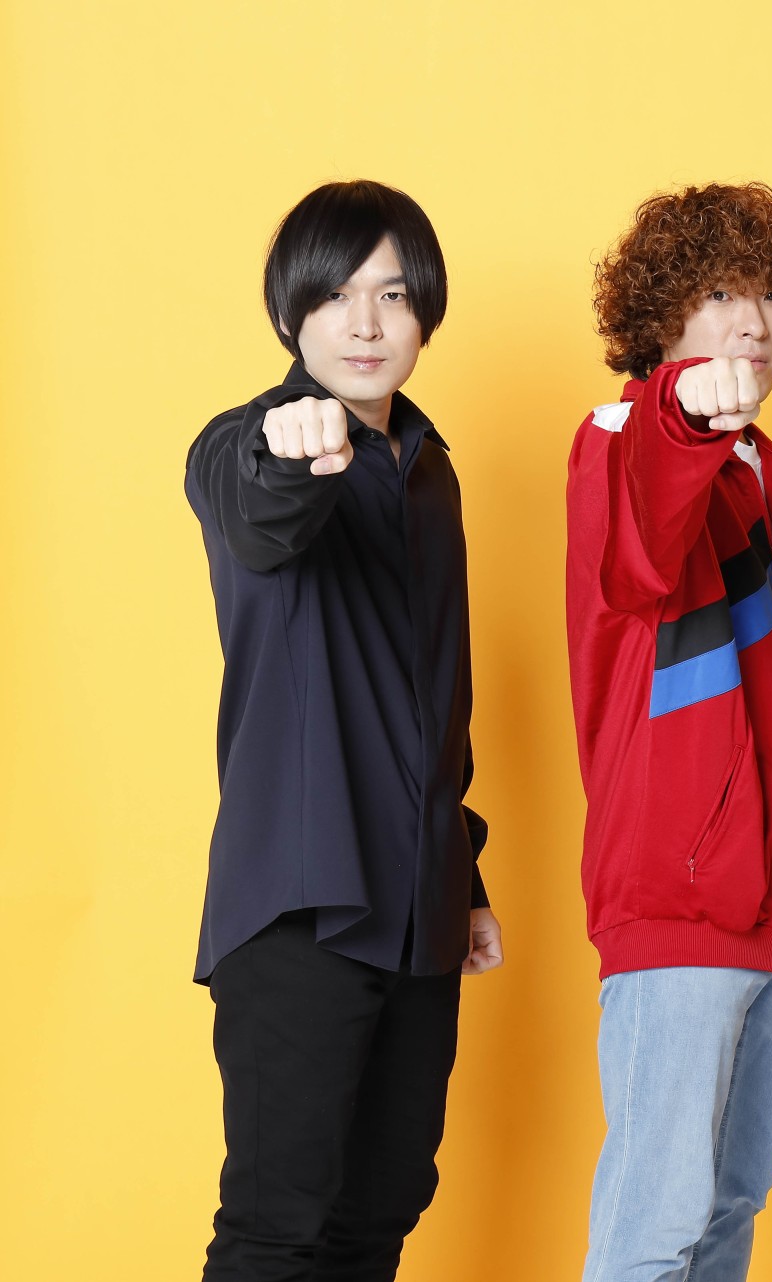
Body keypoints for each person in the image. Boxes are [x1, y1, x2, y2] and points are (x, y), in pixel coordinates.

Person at [183, 180, 503, 1281]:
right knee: (278, 1227)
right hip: (300, 903)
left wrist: (464, 874)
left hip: (418, 904)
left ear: (425, 315)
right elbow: (261, 514)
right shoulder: (242, 442)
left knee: (382, 1210)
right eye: (335, 295)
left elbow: (431, 699)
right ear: (291, 313)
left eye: (394, 296)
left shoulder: (430, 471)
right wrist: (293, 448)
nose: (366, 324)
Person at [566, 181, 772, 1282]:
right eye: (721, 294)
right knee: (655, 1226)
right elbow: (645, 540)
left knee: (728, 1214)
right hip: (681, 907)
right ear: (663, 319)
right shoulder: (624, 441)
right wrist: (686, 410)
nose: (753, 321)